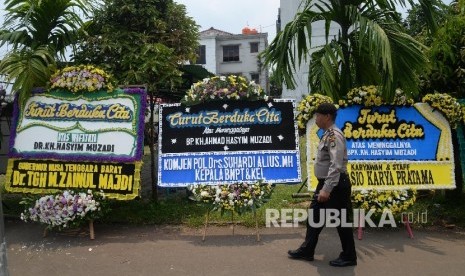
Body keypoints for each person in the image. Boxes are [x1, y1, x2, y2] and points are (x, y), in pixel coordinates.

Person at [288, 102, 357, 267]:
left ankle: (349, 256)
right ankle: (307, 250)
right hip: (326, 184)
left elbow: (336, 165)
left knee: (341, 222)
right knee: (315, 217)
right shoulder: (327, 134)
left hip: (335, 186)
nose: (316, 118)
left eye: (318, 115)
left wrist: (326, 189)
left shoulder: (334, 135)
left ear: (327, 117)